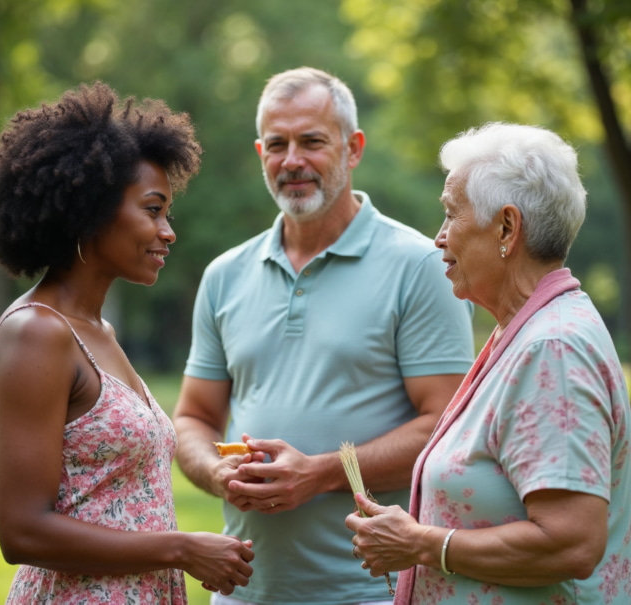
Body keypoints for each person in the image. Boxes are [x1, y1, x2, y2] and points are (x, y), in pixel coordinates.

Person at [172, 66, 475, 605]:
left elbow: (445, 425)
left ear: (353, 148)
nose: (292, 161)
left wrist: (319, 474)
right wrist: (218, 474)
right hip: (244, 591)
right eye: (276, 144)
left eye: (312, 142)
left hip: (371, 590)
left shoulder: (419, 265)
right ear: (259, 152)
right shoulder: (225, 274)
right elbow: (193, 417)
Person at [0, 82, 254, 604]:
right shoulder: (37, 333)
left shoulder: (98, 333)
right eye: (152, 210)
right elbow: (22, 532)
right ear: (90, 210)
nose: (168, 231)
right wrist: (180, 548)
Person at [346, 122, 631, 604]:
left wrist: (421, 544)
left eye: (450, 215)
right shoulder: (525, 330)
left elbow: (571, 543)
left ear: (507, 227)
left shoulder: (554, 349)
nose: (438, 238)